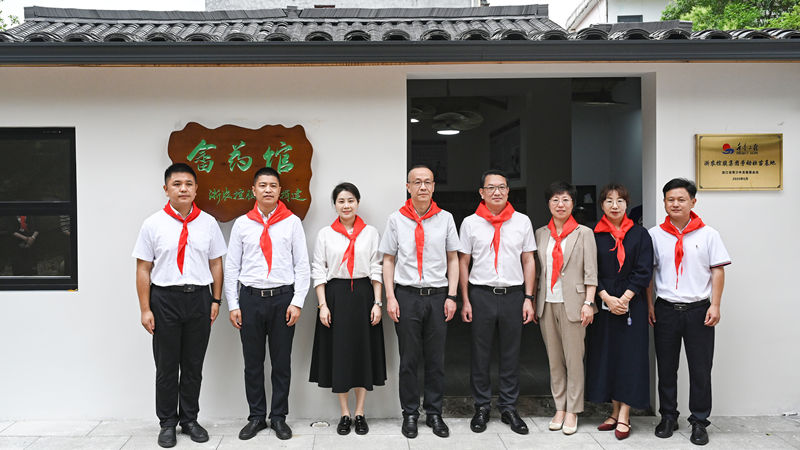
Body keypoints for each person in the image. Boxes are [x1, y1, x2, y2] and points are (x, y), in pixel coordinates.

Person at [132, 163, 226, 448]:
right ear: (166, 189)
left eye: (188, 184)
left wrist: (216, 299)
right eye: (177, 184)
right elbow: (143, 268)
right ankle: (167, 423)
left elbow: (216, 263)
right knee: (167, 366)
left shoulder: (208, 223)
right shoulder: (152, 224)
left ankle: (190, 419)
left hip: (199, 298)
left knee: (193, 365)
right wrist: (145, 309)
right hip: (165, 300)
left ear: (196, 189)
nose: (183, 189)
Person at [224, 167, 310, 441]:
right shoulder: (242, 224)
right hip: (250, 300)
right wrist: (233, 304)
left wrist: (297, 302)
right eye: (263, 185)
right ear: (254, 190)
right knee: (253, 363)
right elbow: (231, 267)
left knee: (281, 363)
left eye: (273, 185)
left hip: (283, 299)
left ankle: (279, 417)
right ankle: (256, 417)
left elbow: (302, 265)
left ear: (280, 190)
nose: (268, 190)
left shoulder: (292, 222)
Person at [647, 178, 730, 446]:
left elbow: (718, 270)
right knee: (666, 367)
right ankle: (668, 416)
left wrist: (715, 304)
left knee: (700, 368)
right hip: (666, 309)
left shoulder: (709, 235)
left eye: (681, 199)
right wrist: (650, 304)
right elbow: (649, 274)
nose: (675, 204)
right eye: (670, 199)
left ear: (693, 202)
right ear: (664, 203)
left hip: (699, 310)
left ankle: (699, 421)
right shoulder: (654, 235)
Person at [379, 165, 460, 439]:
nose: (422, 187)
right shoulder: (396, 220)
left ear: (434, 186)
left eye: (427, 182)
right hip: (407, 296)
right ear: (408, 187)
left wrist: (452, 295)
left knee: (436, 359)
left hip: (437, 296)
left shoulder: (446, 219)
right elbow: (388, 259)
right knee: (409, 360)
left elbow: (453, 258)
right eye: (417, 182)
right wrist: (390, 297)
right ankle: (410, 413)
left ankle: (434, 413)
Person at [458, 169, 536, 435]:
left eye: (502, 187)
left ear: (508, 191)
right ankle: (481, 406)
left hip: (513, 295)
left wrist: (528, 297)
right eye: (491, 187)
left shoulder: (522, 221)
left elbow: (528, 260)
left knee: (511, 353)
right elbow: (463, 262)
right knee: (480, 354)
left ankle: (508, 407)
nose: (497, 192)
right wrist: (465, 299)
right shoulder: (470, 223)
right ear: (481, 192)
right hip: (481, 295)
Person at [309, 182, 387, 435]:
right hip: (335, 296)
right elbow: (318, 269)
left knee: (363, 354)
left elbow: (376, 268)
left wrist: (377, 303)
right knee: (339, 355)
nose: (346, 205)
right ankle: (344, 414)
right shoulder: (325, 234)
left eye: (350, 200)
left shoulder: (371, 233)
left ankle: (360, 413)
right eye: (341, 201)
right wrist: (322, 305)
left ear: (358, 202)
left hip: (364, 295)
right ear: (334, 205)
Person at [585, 183, 653, 440]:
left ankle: (625, 413)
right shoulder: (593, 235)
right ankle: (613, 411)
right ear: (601, 205)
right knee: (608, 356)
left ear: (627, 204)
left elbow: (644, 270)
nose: (615, 206)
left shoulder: (640, 234)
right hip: (604, 303)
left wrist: (624, 298)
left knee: (630, 358)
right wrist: (605, 297)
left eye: (620, 201)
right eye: (609, 201)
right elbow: (589, 269)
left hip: (632, 303)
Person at [534, 181, 597, 435]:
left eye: (565, 200)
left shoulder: (584, 233)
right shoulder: (541, 233)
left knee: (574, 360)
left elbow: (591, 272)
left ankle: (573, 410)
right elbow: (538, 271)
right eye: (555, 200)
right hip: (546, 303)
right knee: (555, 361)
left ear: (573, 204)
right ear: (548, 204)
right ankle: (559, 407)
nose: (560, 205)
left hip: (575, 304)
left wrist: (589, 303)